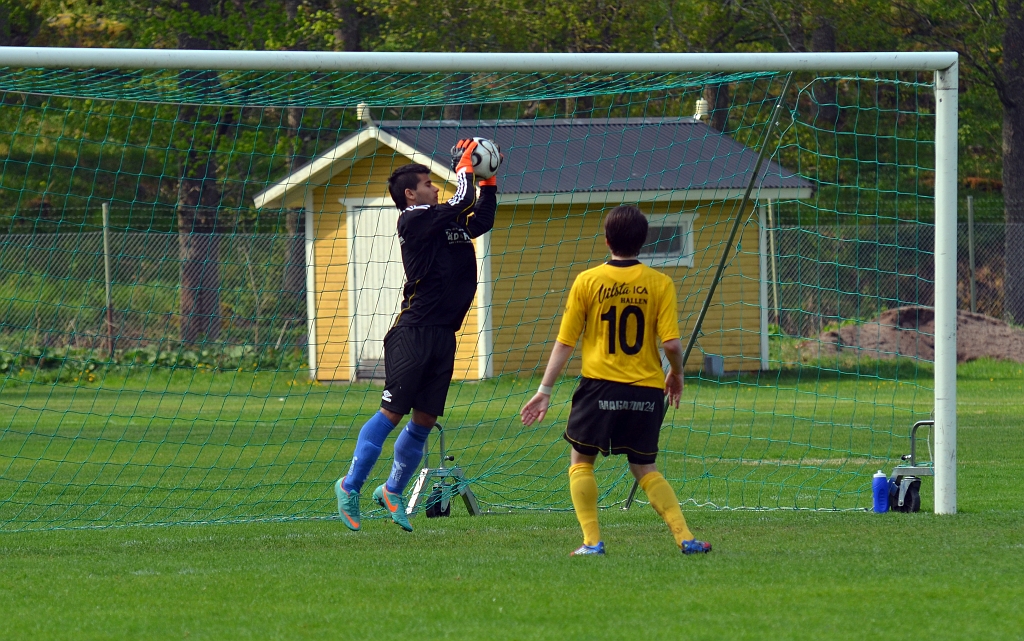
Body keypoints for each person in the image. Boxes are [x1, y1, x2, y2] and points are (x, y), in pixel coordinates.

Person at [520, 204, 712, 556]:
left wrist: (544, 390)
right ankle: (685, 537)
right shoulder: (660, 283)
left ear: (606, 240)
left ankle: (592, 542)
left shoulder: (588, 281)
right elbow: (670, 343)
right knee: (644, 467)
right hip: (647, 390)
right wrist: (677, 375)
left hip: (599, 388)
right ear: (644, 242)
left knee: (581, 461)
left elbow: (566, 341)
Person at [335, 140, 498, 532]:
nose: (434, 188)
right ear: (411, 194)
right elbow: (461, 201)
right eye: (428, 183)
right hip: (414, 331)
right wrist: (464, 167)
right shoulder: (414, 218)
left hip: (444, 334)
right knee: (392, 412)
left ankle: (393, 491)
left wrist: (489, 180)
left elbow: (481, 219)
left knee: (424, 419)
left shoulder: (443, 220)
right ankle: (350, 485)